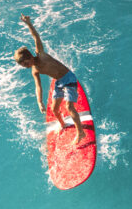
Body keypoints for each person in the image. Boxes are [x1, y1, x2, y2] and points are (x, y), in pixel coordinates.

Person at [14, 15, 88, 145]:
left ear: (30, 56)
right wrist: (39, 102)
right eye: (23, 66)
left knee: (69, 107)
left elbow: (36, 37)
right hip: (59, 82)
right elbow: (38, 87)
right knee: (54, 110)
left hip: (68, 78)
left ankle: (81, 132)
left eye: (25, 64)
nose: (25, 67)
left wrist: (29, 24)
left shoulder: (41, 55)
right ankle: (63, 124)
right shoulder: (34, 70)